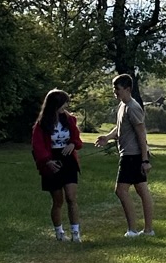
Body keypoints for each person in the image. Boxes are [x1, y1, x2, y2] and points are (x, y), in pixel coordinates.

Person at [95, 74, 155, 237]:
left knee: (121, 191)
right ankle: (148, 230)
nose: (114, 91)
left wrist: (145, 160)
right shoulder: (123, 105)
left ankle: (133, 230)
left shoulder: (133, 107)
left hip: (132, 156)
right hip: (129, 154)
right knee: (142, 190)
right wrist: (107, 137)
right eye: (113, 88)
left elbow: (141, 134)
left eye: (117, 89)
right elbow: (120, 127)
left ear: (127, 89)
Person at [31, 88, 83, 241]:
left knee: (71, 197)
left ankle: (75, 233)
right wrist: (47, 161)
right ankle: (59, 232)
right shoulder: (41, 124)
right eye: (64, 103)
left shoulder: (70, 119)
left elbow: (77, 139)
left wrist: (73, 144)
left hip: (68, 160)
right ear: (55, 104)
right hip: (51, 162)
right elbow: (37, 146)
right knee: (58, 200)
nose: (66, 106)